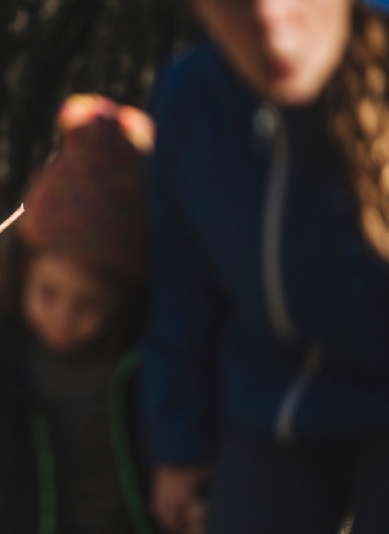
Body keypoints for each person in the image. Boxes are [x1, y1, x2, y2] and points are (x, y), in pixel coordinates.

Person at [144, 2, 389, 533]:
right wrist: (179, 445)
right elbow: (183, 287)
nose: (271, 20)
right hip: (270, 399)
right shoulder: (192, 97)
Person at [0, 94, 159, 532]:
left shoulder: (147, 357)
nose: (63, 318)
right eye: (48, 293)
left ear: (125, 296)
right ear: (21, 273)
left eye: (87, 304)